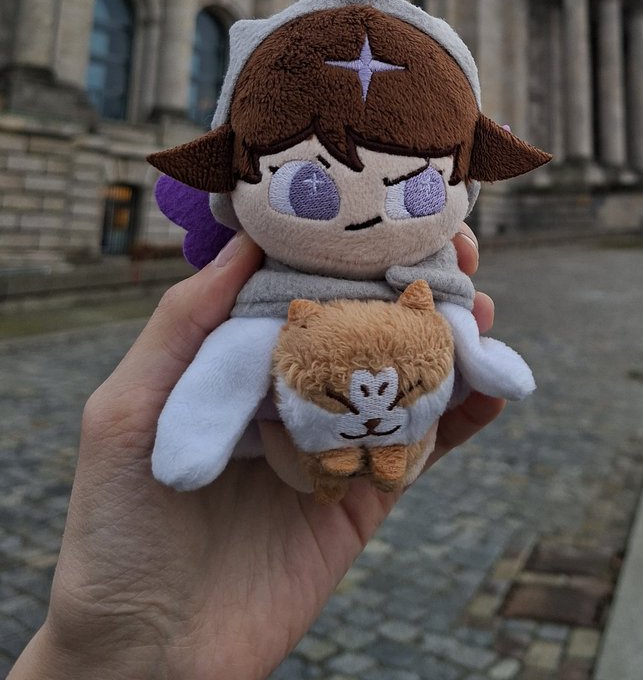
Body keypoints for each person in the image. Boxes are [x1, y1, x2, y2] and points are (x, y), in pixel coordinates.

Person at [10, 226, 501, 680]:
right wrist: (122, 648)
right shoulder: (273, 300)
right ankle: (330, 461)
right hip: (287, 435)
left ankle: (369, 455)